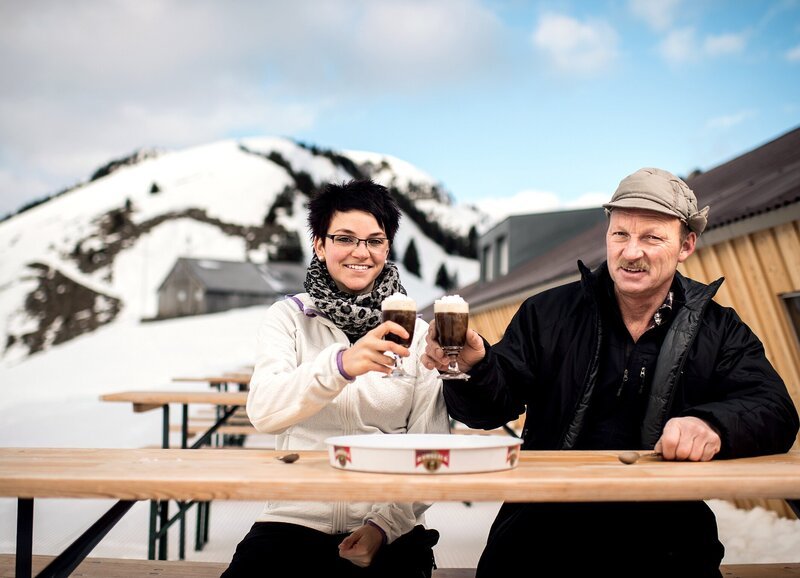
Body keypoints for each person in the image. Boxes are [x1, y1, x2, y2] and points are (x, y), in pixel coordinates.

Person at [422, 167, 800, 577]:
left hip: (667, 543)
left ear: (686, 244)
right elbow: (490, 409)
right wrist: (474, 369)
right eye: (621, 234)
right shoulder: (546, 313)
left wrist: (713, 425)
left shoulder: (719, 328)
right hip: (540, 538)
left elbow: (775, 409)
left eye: (652, 237)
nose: (631, 251)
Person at [223, 179, 449, 577]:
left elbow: (432, 449)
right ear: (319, 244)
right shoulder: (288, 318)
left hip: (390, 528)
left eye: (374, 241)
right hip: (292, 520)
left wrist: (384, 525)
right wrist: (340, 366)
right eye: (345, 238)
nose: (361, 253)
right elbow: (264, 411)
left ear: (387, 248)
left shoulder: (416, 334)